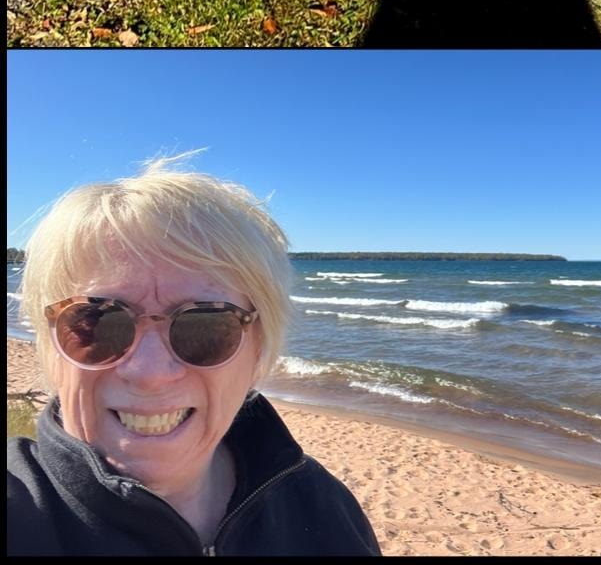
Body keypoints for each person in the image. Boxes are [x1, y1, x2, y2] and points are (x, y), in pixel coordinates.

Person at [7, 155, 380, 555]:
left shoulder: (322, 508)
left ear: (258, 349)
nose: (150, 372)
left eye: (204, 326)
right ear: (50, 344)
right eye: (98, 323)